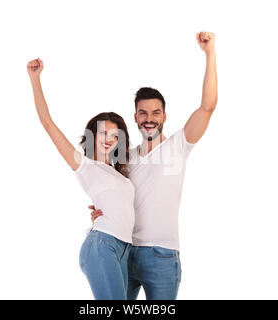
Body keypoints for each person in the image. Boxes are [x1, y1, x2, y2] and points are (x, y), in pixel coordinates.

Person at [89, 31, 218, 300]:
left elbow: (207, 106)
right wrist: (102, 211)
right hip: (123, 250)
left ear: (164, 116)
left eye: (155, 113)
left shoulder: (178, 145)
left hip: (162, 254)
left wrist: (209, 53)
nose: (150, 118)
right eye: (144, 113)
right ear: (135, 116)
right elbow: (114, 194)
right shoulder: (124, 158)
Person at [27, 58, 135, 299]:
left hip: (124, 249)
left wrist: (102, 211)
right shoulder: (86, 166)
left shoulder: (121, 175)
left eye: (115, 136)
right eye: (103, 133)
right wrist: (35, 79)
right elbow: (47, 123)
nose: (109, 139)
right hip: (103, 246)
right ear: (92, 135)